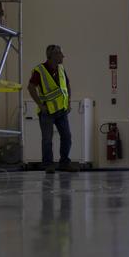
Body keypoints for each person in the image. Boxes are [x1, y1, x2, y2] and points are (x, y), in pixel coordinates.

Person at [27, 44, 78, 172]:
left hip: (62, 110)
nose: (62, 56)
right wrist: (40, 105)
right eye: (60, 53)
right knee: (47, 139)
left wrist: (69, 103)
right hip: (47, 112)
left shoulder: (61, 69)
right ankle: (48, 165)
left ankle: (64, 163)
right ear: (52, 56)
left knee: (67, 137)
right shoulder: (40, 70)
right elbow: (31, 87)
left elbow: (67, 86)